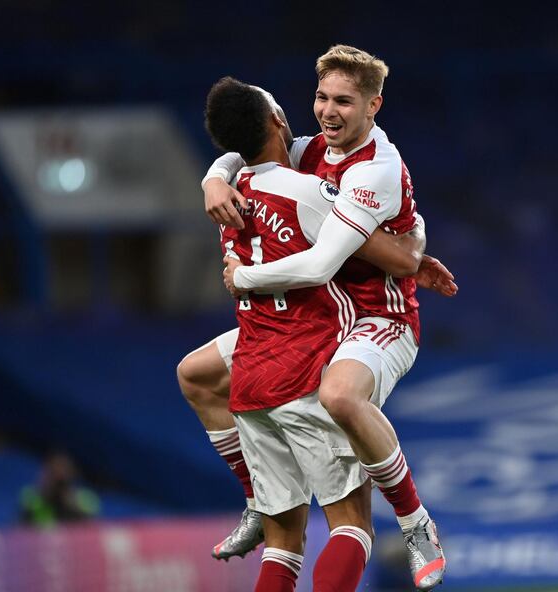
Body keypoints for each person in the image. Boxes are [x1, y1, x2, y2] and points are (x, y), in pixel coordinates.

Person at [185, 46, 454, 590]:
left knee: (339, 396)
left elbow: (332, 262)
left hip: (379, 316)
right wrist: (214, 175)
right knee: (196, 374)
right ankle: (258, 502)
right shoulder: (307, 153)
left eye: (344, 102)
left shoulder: (374, 170)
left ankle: (416, 524)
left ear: (374, 105)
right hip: (312, 321)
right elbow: (248, 152)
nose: (329, 112)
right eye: (321, 98)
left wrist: (242, 279)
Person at [18, 451, 100, 528]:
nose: (58, 479)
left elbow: (90, 529)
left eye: (62, 479)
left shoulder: (84, 500)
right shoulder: (33, 499)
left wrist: (70, 503)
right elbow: (22, 530)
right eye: (53, 474)